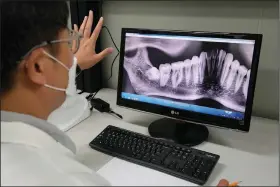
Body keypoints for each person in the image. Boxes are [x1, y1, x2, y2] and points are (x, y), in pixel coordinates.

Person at [1, 1, 229, 186]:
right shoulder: (64, 178)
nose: (72, 58)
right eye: (68, 42)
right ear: (38, 66)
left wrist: (75, 65)